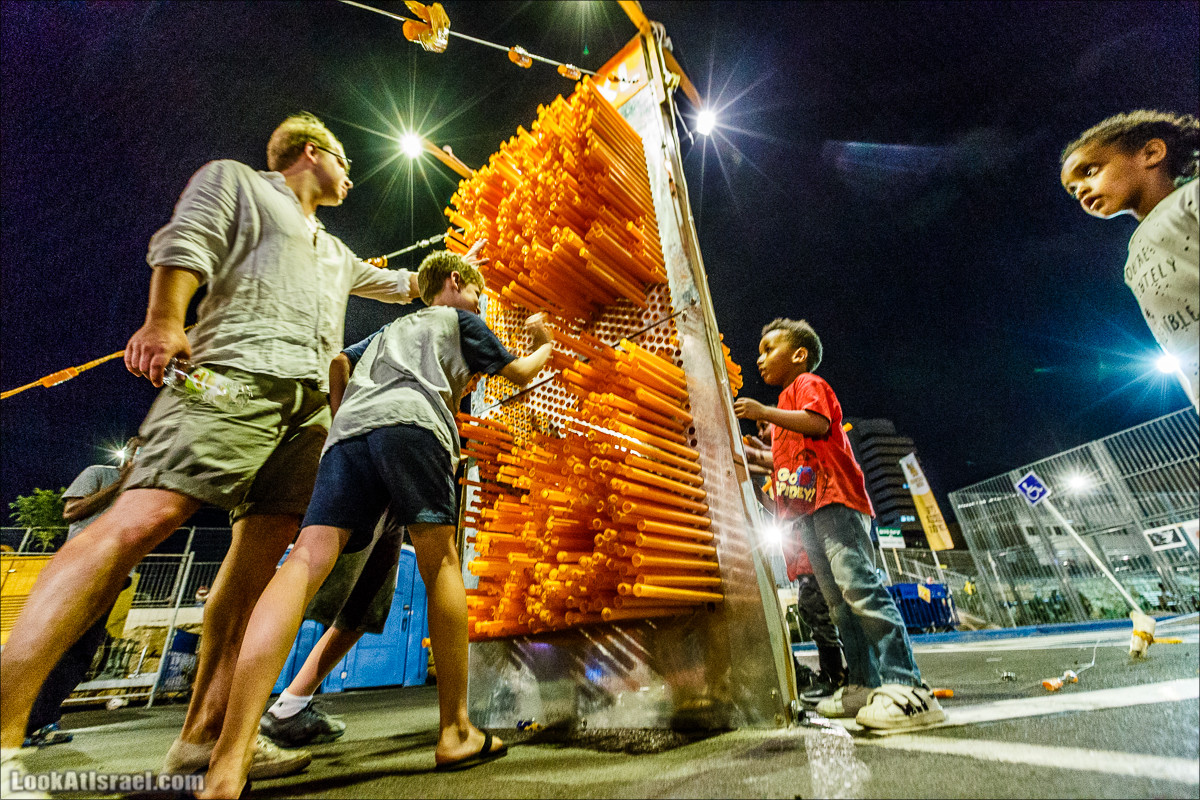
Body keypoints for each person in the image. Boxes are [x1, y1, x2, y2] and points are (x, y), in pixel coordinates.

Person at [0, 112, 422, 786]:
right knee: (143, 518)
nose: (352, 176)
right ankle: (3, 732)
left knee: (257, 566)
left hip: (306, 409)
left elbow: (405, 286)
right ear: (313, 153)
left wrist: (465, 263)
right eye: (345, 162)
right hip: (231, 379)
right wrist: (166, 318)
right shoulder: (237, 184)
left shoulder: (335, 252)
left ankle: (203, 737)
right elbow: (186, 242)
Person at [200, 250, 554, 797]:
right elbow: (519, 373)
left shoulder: (390, 329)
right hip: (415, 427)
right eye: (478, 292)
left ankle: (228, 759)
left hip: (349, 438)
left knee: (303, 562)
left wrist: (344, 416)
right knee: (441, 562)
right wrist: (541, 340)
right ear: (455, 282)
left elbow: (338, 363)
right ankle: (456, 731)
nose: (480, 303)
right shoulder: (458, 319)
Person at [734, 318, 944, 729]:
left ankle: (908, 686)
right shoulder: (781, 419)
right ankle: (863, 685)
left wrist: (763, 412)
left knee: (860, 588)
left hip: (837, 502)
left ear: (799, 355)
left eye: (769, 348)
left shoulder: (807, 385)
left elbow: (818, 424)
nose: (760, 358)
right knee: (838, 604)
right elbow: (778, 465)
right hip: (807, 513)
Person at [261, 330, 411, 749]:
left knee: (364, 607)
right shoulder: (405, 334)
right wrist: (342, 423)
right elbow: (340, 362)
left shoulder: (454, 354)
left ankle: (290, 706)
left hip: (395, 490)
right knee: (308, 588)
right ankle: (228, 724)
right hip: (365, 467)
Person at [1059, 110, 1199, 411]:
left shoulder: (1191, 198)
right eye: (1073, 191)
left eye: (1089, 171)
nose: (1080, 190)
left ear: (1151, 153)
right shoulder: (1132, 258)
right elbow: (1169, 343)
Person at [22, 437, 146, 749]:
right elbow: (72, 511)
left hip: (114, 578)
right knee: (55, 647)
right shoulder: (98, 473)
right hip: (83, 569)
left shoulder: (144, 493)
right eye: (140, 450)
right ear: (128, 452)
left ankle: (38, 722)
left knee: (80, 655)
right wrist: (120, 484)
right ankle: (20, 720)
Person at [744, 421, 846, 703]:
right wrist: (757, 491)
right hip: (802, 558)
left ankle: (834, 674)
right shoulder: (784, 472)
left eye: (765, 426)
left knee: (818, 611)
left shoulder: (795, 460)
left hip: (812, 556)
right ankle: (840, 673)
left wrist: (754, 456)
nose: (761, 432)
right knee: (816, 611)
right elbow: (780, 510)